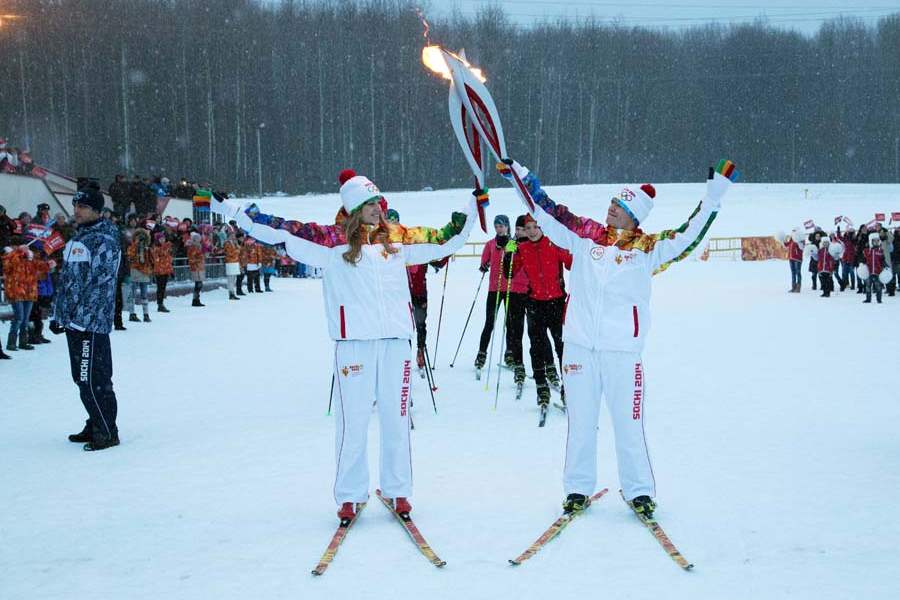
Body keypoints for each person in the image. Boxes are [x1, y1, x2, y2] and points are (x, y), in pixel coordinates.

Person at [211, 168, 477, 522]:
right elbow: (278, 229)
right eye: (369, 204)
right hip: (354, 344)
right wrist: (234, 211)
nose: (377, 209)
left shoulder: (396, 237)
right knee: (352, 423)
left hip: (396, 341)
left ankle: (397, 490)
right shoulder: (329, 242)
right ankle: (350, 495)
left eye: (378, 203)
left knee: (396, 420)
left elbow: (445, 239)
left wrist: (472, 209)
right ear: (355, 208)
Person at [497, 157, 738, 517]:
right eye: (612, 202)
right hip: (579, 347)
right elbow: (547, 211)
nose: (611, 208)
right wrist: (522, 176)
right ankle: (577, 489)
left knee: (629, 424)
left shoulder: (648, 249)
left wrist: (713, 198)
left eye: (619, 206)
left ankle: (639, 491)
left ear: (633, 215)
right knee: (580, 423)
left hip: (622, 352)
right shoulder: (586, 234)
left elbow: (689, 235)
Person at [49, 186, 123, 451]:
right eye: (75, 206)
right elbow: (69, 282)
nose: (77, 211)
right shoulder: (78, 238)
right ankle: (95, 421)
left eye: (82, 207)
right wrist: (60, 314)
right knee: (81, 377)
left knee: (94, 378)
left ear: (96, 210)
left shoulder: (104, 240)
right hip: (74, 321)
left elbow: (100, 285)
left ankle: (107, 430)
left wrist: (82, 318)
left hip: (90, 324)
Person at [516, 213, 572, 409]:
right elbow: (509, 271)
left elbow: (571, 263)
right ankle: (542, 390)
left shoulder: (553, 243)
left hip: (556, 303)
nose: (531, 232)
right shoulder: (522, 248)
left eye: (535, 227)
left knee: (563, 348)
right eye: (527, 228)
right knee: (536, 349)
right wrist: (509, 252)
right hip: (534, 304)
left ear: (542, 227)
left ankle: (569, 390)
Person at [2, 244, 51, 352]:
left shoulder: (31, 261)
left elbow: (41, 267)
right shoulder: (11, 258)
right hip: (16, 293)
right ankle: (11, 343)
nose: (27, 251)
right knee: (19, 318)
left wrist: (48, 264)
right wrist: (18, 252)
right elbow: (7, 264)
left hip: (29, 294)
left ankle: (23, 342)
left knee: (24, 319)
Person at [127, 229, 153, 322]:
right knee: (133, 293)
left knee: (144, 294)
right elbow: (130, 257)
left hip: (145, 271)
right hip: (135, 270)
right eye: (138, 237)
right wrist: (136, 246)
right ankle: (132, 313)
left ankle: (146, 314)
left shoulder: (147, 248)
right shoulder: (132, 247)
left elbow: (151, 259)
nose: (140, 239)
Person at [149, 232, 173, 312]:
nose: (163, 240)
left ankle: (161, 303)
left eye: (163, 238)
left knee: (162, 288)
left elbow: (169, 260)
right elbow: (159, 255)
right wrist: (165, 247)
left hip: (165, 270)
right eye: (161, 239)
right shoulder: (156, 248)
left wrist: (171, 270)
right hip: (159, 271)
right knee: (160, 288)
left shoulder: (166, 247)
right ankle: (160, 304)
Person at [863, 232, 886, 304]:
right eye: (874, 241)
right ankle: (868, 298)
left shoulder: (880, 251)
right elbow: (863, 259)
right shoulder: (867, 251)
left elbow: (883, 261)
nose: (876, 242)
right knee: (868, 286)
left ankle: (879, 299)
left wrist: (885, 267)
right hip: (869, 271)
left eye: (877, 241)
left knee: (878, 286)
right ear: (871, 241)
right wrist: (861, 263)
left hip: (878, 272)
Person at [187, 232, 206, 307]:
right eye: (197, 239)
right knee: (198, 284)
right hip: (195, 268)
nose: (198, 240)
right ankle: (195, 300)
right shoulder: (192, 247)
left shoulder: (199, 247)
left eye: (199, 239)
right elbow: (191, 258)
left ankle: (196, 299)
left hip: (200, 267)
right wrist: (199, 259)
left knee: (200, 284)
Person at [223, 228, 242, 301]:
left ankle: (233, 293)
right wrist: (237, 251)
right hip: (230, 262)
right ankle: (231, 293)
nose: (234, 237)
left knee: (233, 279)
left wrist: (237, 247)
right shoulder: (227, 243)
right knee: (230, 279)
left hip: (235, 262)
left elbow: (238, 252)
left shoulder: (235, 243)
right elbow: (228, 253)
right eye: (232, 235)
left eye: (234, 235)